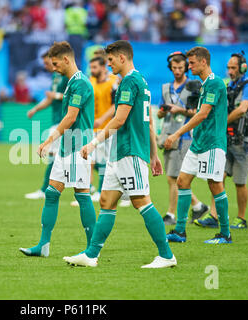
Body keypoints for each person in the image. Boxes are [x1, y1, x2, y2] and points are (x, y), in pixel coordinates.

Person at [63, 40, 176, 269]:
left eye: (111, 60)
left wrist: (93, 143)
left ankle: (166, 255)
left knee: (141, 201)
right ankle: (91, 255)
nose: (109, 64)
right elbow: (150, 122)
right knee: (106, 201)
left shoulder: (128, 83)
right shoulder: (141, 82)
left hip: (129, 150)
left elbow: (120, 119)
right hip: (121, 152)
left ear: (122, 58)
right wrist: (154, 155)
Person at [19, 41, 96, 257]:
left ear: (66, 59)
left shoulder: (80, 83)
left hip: (78, 147)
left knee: (82, 195)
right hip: (66, 147)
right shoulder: (71, 82)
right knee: (52, 194)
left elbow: (71, 117)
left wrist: (48, 140)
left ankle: (93, 248)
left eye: (55, 64)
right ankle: (43, 246)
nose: (53, 68)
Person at [164, 46, 232, 244]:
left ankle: (225, 234)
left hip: (212, 143)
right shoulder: (204, 85)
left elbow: (202, 114)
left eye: (192, 63)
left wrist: (177, 133)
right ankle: (179, 231)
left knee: (215, 185)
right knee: (182, 181)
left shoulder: (215, 83)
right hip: (198, 143)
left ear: (203, 62)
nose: (188, 66)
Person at [195, 52, 248, 230]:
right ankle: (213, 215)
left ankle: (241, 218)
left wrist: (221, 122)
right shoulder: (227, 85)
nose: (230, 71)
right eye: (228, 67)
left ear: (243, 67)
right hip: (228, 138)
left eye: (233, 68)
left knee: (240, 181)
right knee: (217, 176)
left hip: (246, 140)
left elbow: (242, 109)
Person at [157, 52, 209, 226]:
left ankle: (171, 214)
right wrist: (164, 110)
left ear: (186, 67)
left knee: (174, 177)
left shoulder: (193, 85)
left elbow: (197, 113)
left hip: (185, 135)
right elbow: (158, 113)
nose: (177, 71)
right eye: (174, 68)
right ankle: (197, 205)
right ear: (170, 68)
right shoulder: (166, 87)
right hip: (168, 133)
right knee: (175, 177)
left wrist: (179, 110)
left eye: (180, 67)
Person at [70, 54, 117, 207]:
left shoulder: (113, 82)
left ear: (103, 67)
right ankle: (89, 190)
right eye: (91, 67)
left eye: (95, 67)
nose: (92, 70)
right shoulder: (91, 82)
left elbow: (116, 105)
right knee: (91, 160)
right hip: (93, 128)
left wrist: (102, 119)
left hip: (109, 128)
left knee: (107, 162)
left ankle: (104, 191)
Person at [24, 50, 68, 200]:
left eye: (47, 63)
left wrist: (55, 95)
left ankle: (45, 189)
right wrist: (35, 109)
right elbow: (50, 99)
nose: (46, 66)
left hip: (64, 120)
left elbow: (75, 97)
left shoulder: (67, 76)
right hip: (56, 120)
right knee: (56, 156)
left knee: (55, 156)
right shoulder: (55, 76)